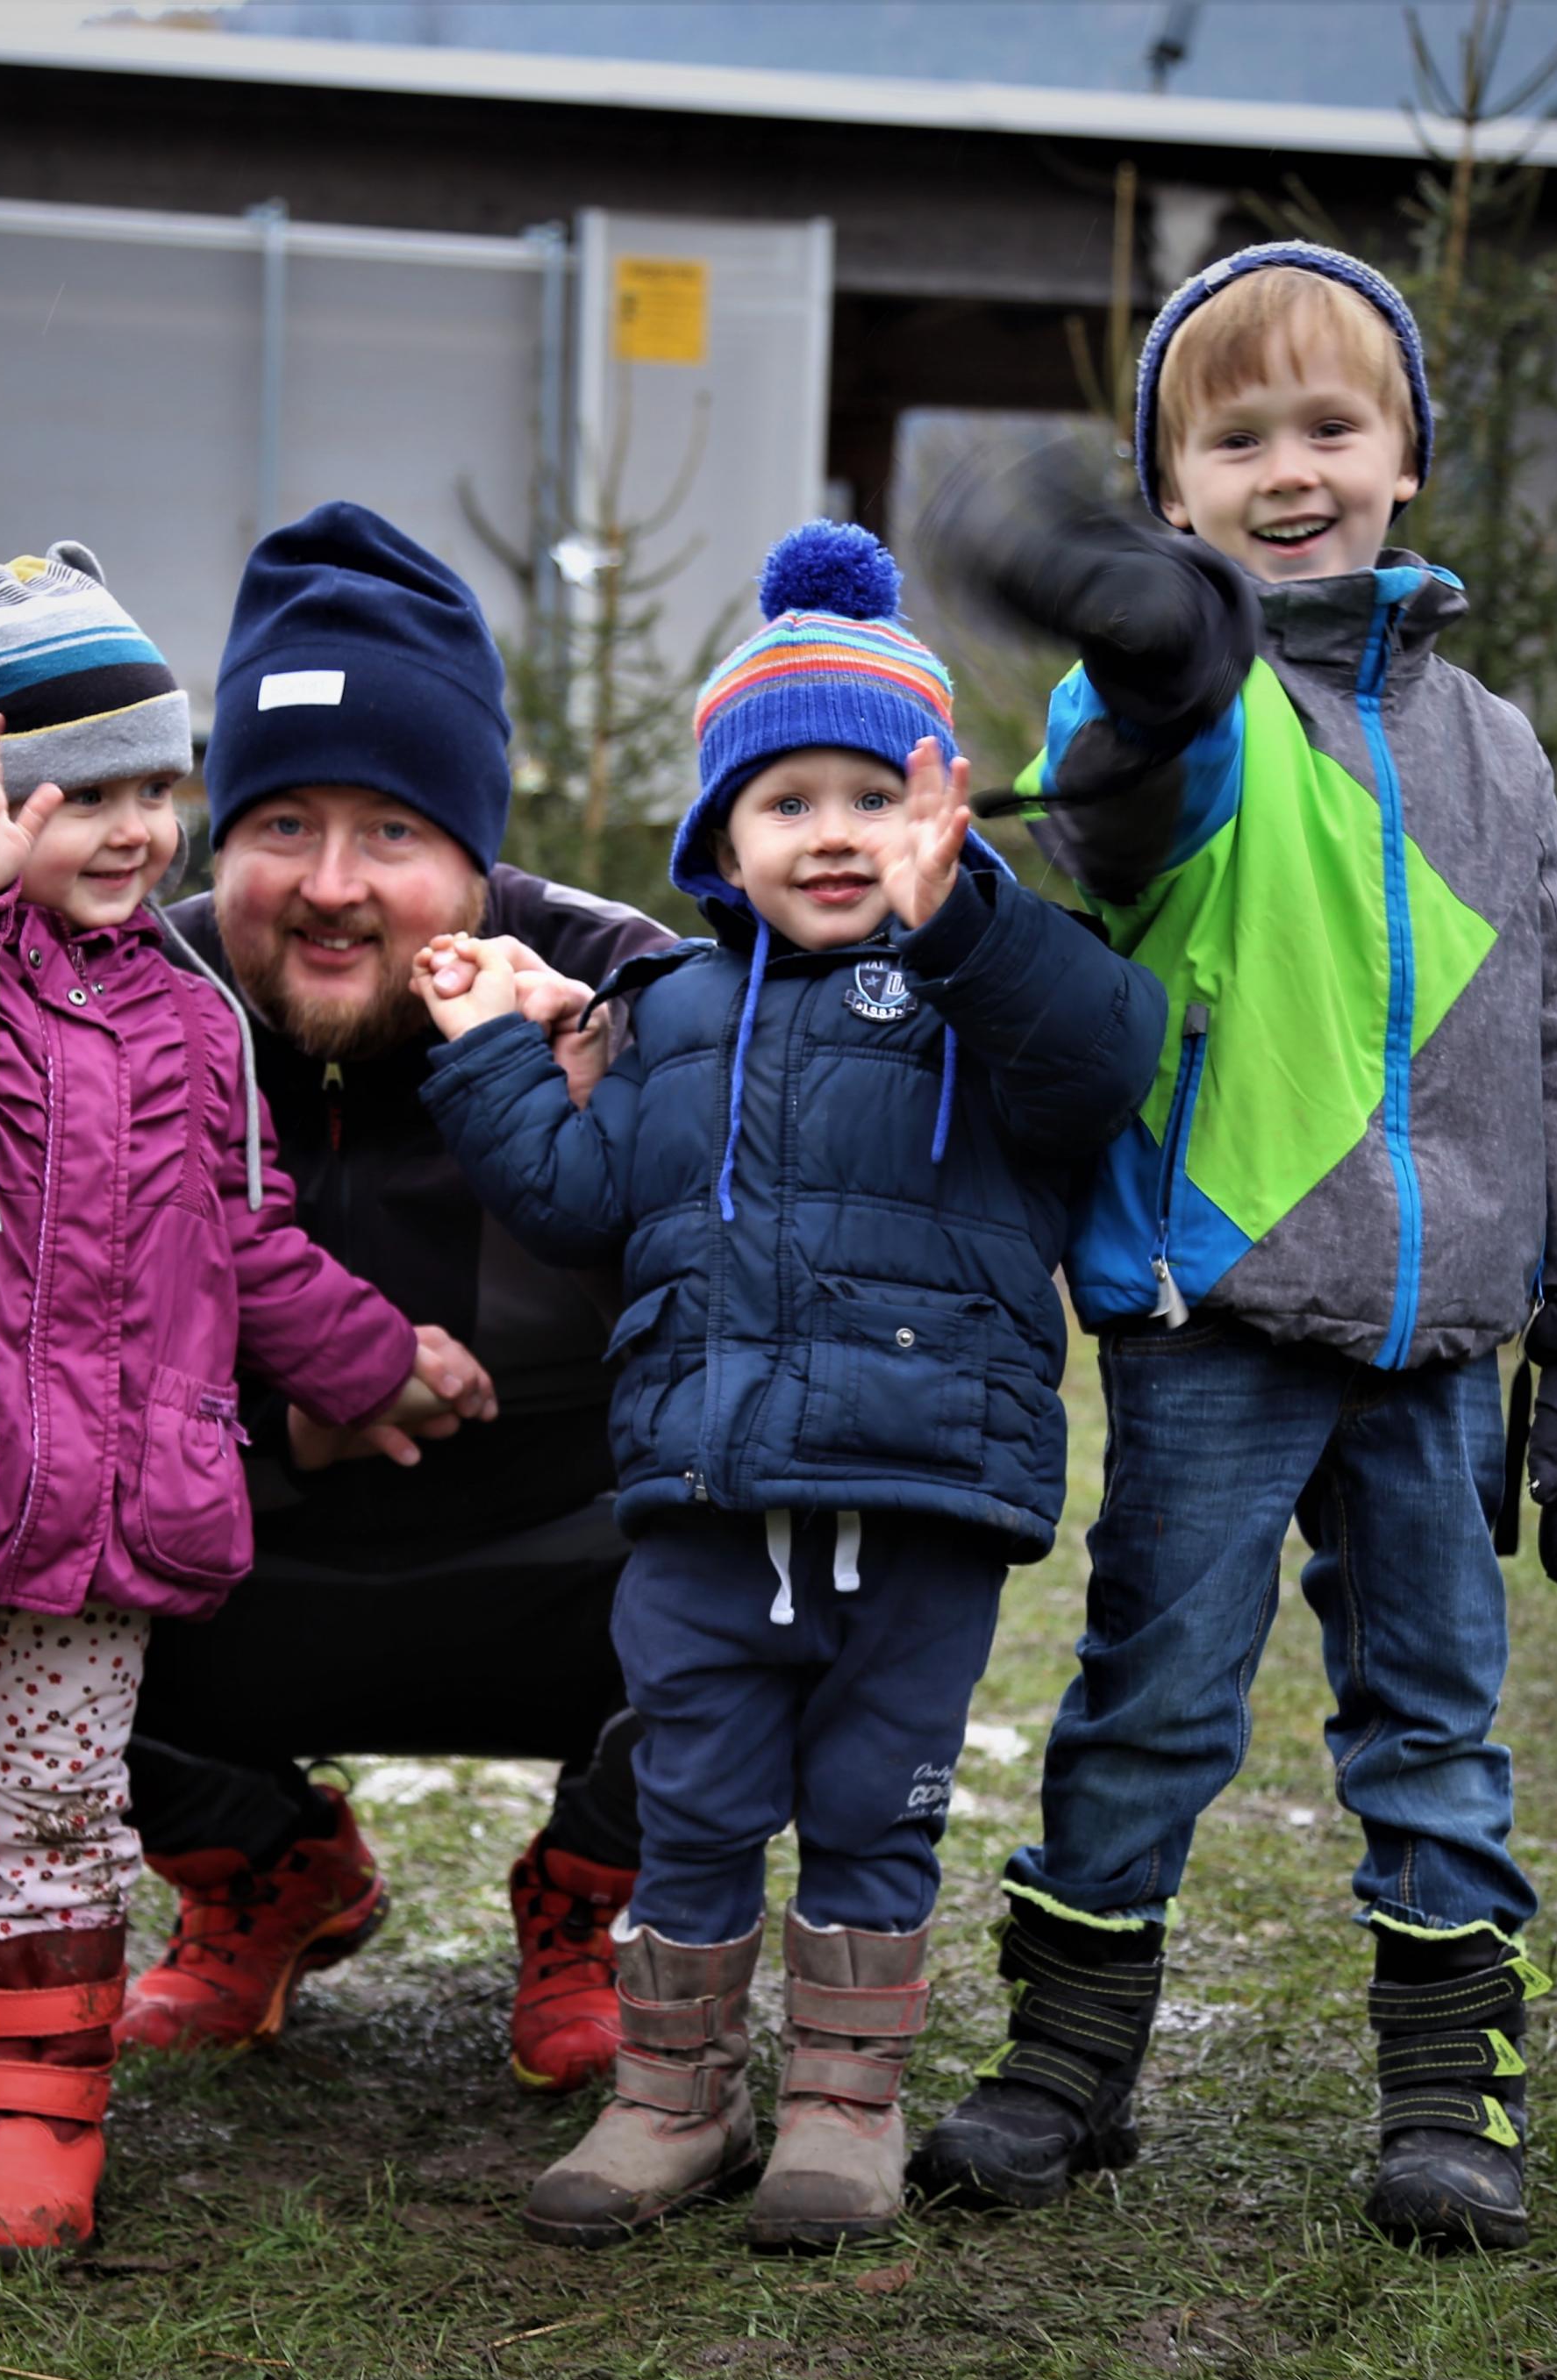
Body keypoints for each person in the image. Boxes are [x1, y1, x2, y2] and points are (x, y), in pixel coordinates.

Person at [905, 242, 1557, 2253]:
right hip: (1217, 1313)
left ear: (1403, 456)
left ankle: (1450, 2090)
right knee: (1154, 1697)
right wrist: (1152, 669)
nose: (1285, 470)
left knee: (1431, 1720)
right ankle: (1067, 2059)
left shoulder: (1495, 748)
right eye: (1230, 438)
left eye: (1328, 425)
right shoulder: (1174, 699)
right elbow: (1115, 826)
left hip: (1435, 1345)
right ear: (1169, 492)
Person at [0, 545, 487, 2266]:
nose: (137, 830)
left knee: (62, 1814)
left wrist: (371, 1357)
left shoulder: (188, 1014)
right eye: (87, 792)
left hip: (98, 1507)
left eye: (159, 788)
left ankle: (40, 2116)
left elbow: (240, 1235)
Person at [414, 522, 1162, 2252]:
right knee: (689, 1803)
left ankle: (844, 2102)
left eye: (872, 797)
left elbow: (1105, 1057)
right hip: (706, 1498)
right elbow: (579, 1199)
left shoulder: (993, 987)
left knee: (876, 1808)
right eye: (785, 800)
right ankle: (674, 2096)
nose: (831, 832)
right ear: (721, 840)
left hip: (919, 1500)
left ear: (940, 813)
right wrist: (490, 1061)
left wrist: (968, 917)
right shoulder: (673, 1010)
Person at [110, 504, 680, 2093]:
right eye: (284, 823)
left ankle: (601, 1883)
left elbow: (778, 1328)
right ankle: (262, 1859)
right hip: (240, 1568)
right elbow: (13, 1342)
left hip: (566, 1572)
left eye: (392, 832)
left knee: (842, 1545)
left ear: (476, 857)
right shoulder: (122, 1004)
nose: (331, 885)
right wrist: (282, 1420)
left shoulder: (625, 993)